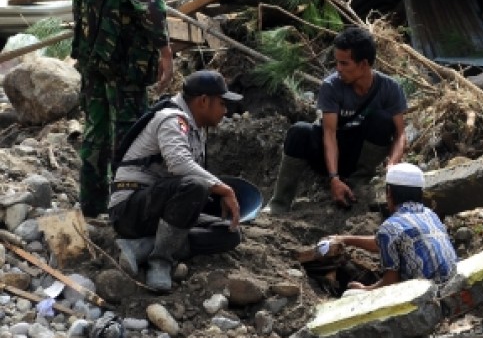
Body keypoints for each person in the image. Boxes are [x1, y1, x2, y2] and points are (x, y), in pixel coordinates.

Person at [71, 0, 173, 217]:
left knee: (95, 128)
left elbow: (77, 0)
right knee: (129, 132)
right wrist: (164, 49)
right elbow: (149, 3)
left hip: (91, 53)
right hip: (124, 57)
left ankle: (92, 204)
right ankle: (124, 207)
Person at [109, 70, 243, 292]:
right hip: (130, 209)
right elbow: (179, 165)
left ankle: (142, 247)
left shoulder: (196, 127)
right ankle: (160, 261)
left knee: (230, 233)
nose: (225, 111)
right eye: (221, 103)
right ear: (203, 101)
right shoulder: (172, 119)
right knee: (196, 185)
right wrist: (225, 190)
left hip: (159, 208)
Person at [264, 26, 408, 213]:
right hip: (329, 152)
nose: (338, 69)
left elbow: (400, 134)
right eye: (337, 63)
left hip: (358, 154)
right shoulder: (331, 86)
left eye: (344, 64)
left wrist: (392, 165)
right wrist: (333, 177)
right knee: (299, 131)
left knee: (382, 120)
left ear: (363, 64)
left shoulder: (389, 88)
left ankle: (358, 182)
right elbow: (329, 134)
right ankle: (279, 203)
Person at [324, 163, 457, 290]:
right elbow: (385, 242)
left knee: (351, 294)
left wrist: (365, 289)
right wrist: (344, 239)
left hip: (429, 296)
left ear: (389, 192)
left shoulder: (390, 227)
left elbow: (390, 283)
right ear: (421, 194)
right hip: (455, 285)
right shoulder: (430, 215)